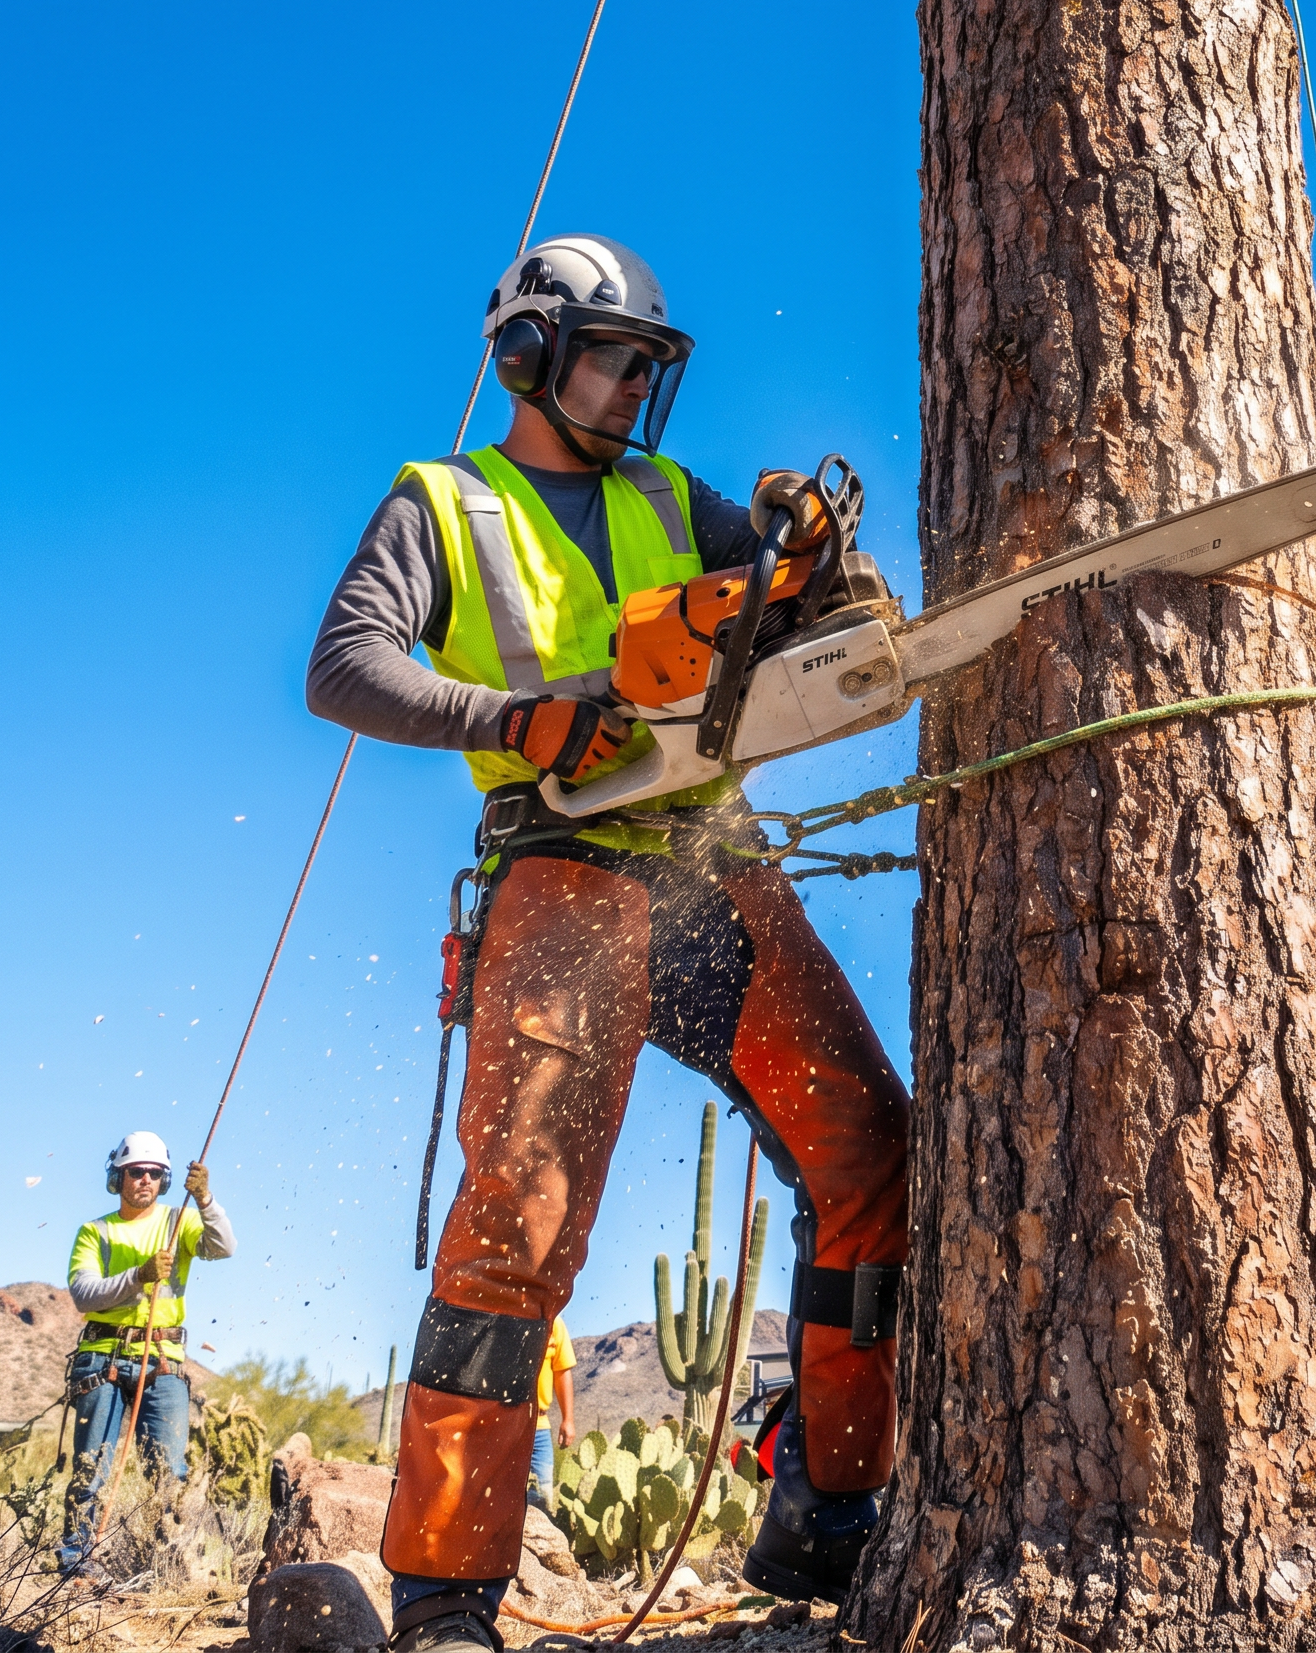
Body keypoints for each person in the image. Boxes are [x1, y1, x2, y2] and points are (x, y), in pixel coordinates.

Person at [306, 236, 908, 1652]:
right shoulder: (448, 503)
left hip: (716, 860)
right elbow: (348, 661)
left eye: (649, 363)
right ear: (528, 354)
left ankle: (827, 1509)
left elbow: (807, 614)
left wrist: (808, 561)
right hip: (561, 870)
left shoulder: (664, 496)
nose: (634, 384)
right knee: (517, 1223)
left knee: (868, 1143)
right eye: (610, 357)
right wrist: (516, 718)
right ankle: (448, 1592)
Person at [59, 1133, 236, 1572]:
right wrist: (138, 1275)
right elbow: (84, 1294)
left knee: (168, 1471)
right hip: (103, 1357)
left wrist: (206, 1200)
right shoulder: (95, 1232)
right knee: (90, 1470)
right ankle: (77, 1563)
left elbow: (224, 1247)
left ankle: (170, 1565)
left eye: (155, 1174)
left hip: (162, 1360)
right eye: (136, 1172)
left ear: (165, 1180)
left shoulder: (181, 1221)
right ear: (118, 1178)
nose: (145, 1180)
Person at [530, 1315, 575, 1501]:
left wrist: (568, 1419)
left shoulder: (553, 1321)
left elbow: (562, 1372)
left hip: (538, 1427)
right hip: (501, 1423)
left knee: (542, 1496)